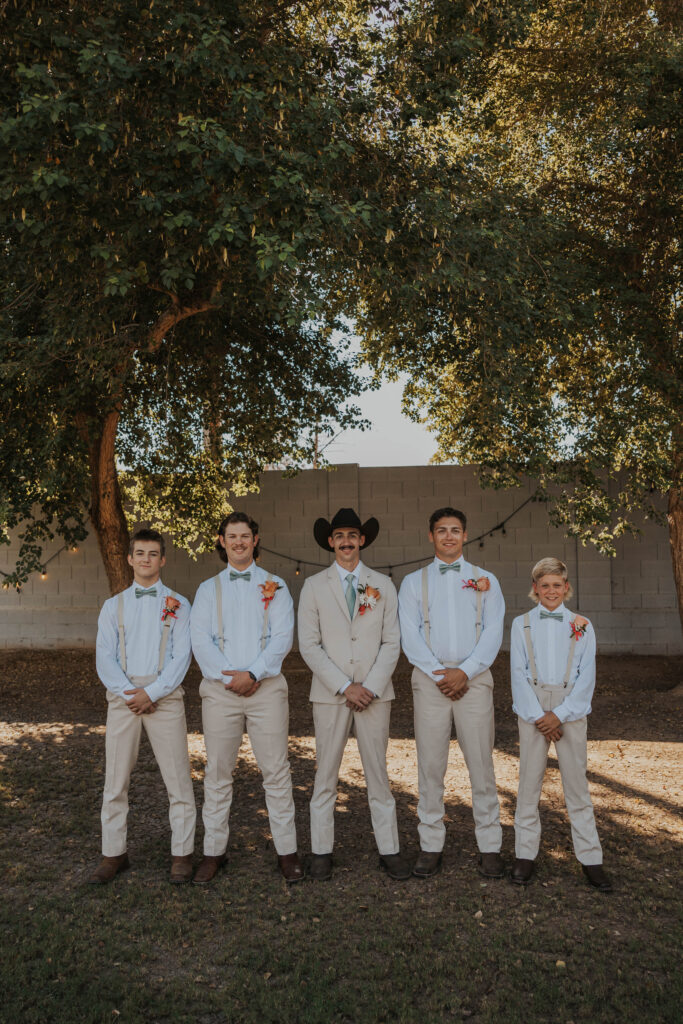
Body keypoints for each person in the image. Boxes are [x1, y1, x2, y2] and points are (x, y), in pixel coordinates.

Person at [190, 512, 303, 884]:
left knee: (276, 771)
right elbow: (200, 639)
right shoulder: (208, 589)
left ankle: (287, 851)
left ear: (256, 540)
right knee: (219, 773)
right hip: (220, 691)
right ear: (221, 541)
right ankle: (213, 853)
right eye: (231, 536)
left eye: (245, 536)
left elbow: (282, 636)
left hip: (266, 690)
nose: (238, 542)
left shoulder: (277, 586)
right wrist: (231, 677)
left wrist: (253, 674)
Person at [298, 508, 410, 881]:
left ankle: (390, 849)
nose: (346, 541)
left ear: (362, 540)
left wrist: (370, 687)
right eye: (339, 535)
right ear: (330, 542)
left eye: (353, 535)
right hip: (331, 694)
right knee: (325, 773)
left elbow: (392, 641)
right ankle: (321, 851)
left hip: (375, 695)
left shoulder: (383, 584)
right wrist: (346, 686)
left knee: (378, 772)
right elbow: (309, 645)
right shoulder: (313, 586)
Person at [398, 507, 505, 879]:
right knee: (430, 765)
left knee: (481, 765)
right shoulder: (413, 582)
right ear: (431, 536)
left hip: (473, 680)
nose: (448, 536)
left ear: (465, 535)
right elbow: (409, 634)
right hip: (430, 682)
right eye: (441, 530)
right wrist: (439, 674)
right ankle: (430, 844)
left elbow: (493, 632)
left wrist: (466, 672)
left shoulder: (485, 580)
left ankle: (490, 844)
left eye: (455, 530)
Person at [90, 528, 196, 885]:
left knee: (178, 779)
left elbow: (182, 656)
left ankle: (182, 854)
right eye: (140, 553)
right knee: (115, 780)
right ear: (130, 558)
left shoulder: (180, 604)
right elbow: (104, 657)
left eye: (153, 553)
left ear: (162, 560)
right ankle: (114, 853)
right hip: (123, 700)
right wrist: (129, 693)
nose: (146, 559)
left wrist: (153, 692)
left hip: (164, 698)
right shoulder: (112, 606)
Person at [509, 557, 612, 891]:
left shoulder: (581, 625)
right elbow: (518, 673)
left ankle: (591, 859)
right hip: (533, 709)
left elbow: (587, 676)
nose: (551, 591)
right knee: (528, 784)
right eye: (544, 585)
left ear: (566, 588)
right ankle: (525, 855)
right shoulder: (521, 624)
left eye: (557, 585)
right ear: (535, 589)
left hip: (570, 709)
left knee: (577, 786)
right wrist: (539, 716)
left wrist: (561, 714)